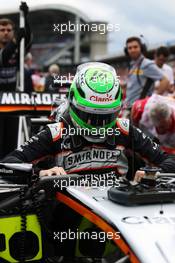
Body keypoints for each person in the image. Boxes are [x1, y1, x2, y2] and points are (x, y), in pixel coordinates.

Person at [2, 62, 175, 183]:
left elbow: (169, 160)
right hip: (66, 214)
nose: (97, 124)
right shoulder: (56, 132)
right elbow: (7, 165)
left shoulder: (124, 129)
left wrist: (153, 173)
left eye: (105, 116)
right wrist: (40, 173)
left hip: (114, 212)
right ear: (73, 103)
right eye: (90, 116)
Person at [0, 3, 32, 159]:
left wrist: (25, 18)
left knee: (11, 140)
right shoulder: (11, 47)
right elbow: (3, 58)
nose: (5, 33)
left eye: (8, 30)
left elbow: (27, 39)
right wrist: (15, 40)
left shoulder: (17, 50)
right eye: (2, 30)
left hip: (12, 99)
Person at [124, 36, 169, 110]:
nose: (132, 50)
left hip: (140, 109)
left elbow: (165, 80)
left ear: (141, 48)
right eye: (130, 48)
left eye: (135, 47)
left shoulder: (146, 64)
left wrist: (153, 99)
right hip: (129, 107)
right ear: (127, 50)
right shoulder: (132, 65)